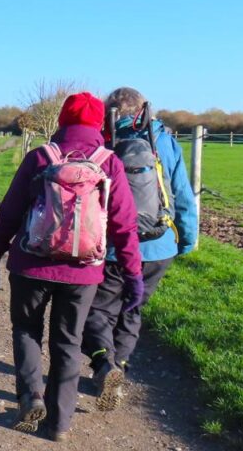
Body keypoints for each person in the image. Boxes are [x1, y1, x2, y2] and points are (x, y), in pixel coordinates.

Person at [0, 92, 143, 441]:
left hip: (30, 265)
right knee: (68, 341)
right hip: (84, 272)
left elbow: (9, 215)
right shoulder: (109, 162)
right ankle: (60, 424)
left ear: (63, 120)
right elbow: (124, 225)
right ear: (99, 124)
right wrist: (133, 276)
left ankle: (31, 397)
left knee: (26, 330)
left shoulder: (40, 157)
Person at [82, 87, 198, 408]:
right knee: (132, 308)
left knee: (99, 309)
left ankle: (103, 362)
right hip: (159, 246)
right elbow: (183, 195)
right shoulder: (164, 141)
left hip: (114, 248)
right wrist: (186, 240)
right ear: (145, 109)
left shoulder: (104, 142)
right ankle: (119, 365)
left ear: (110, 111)